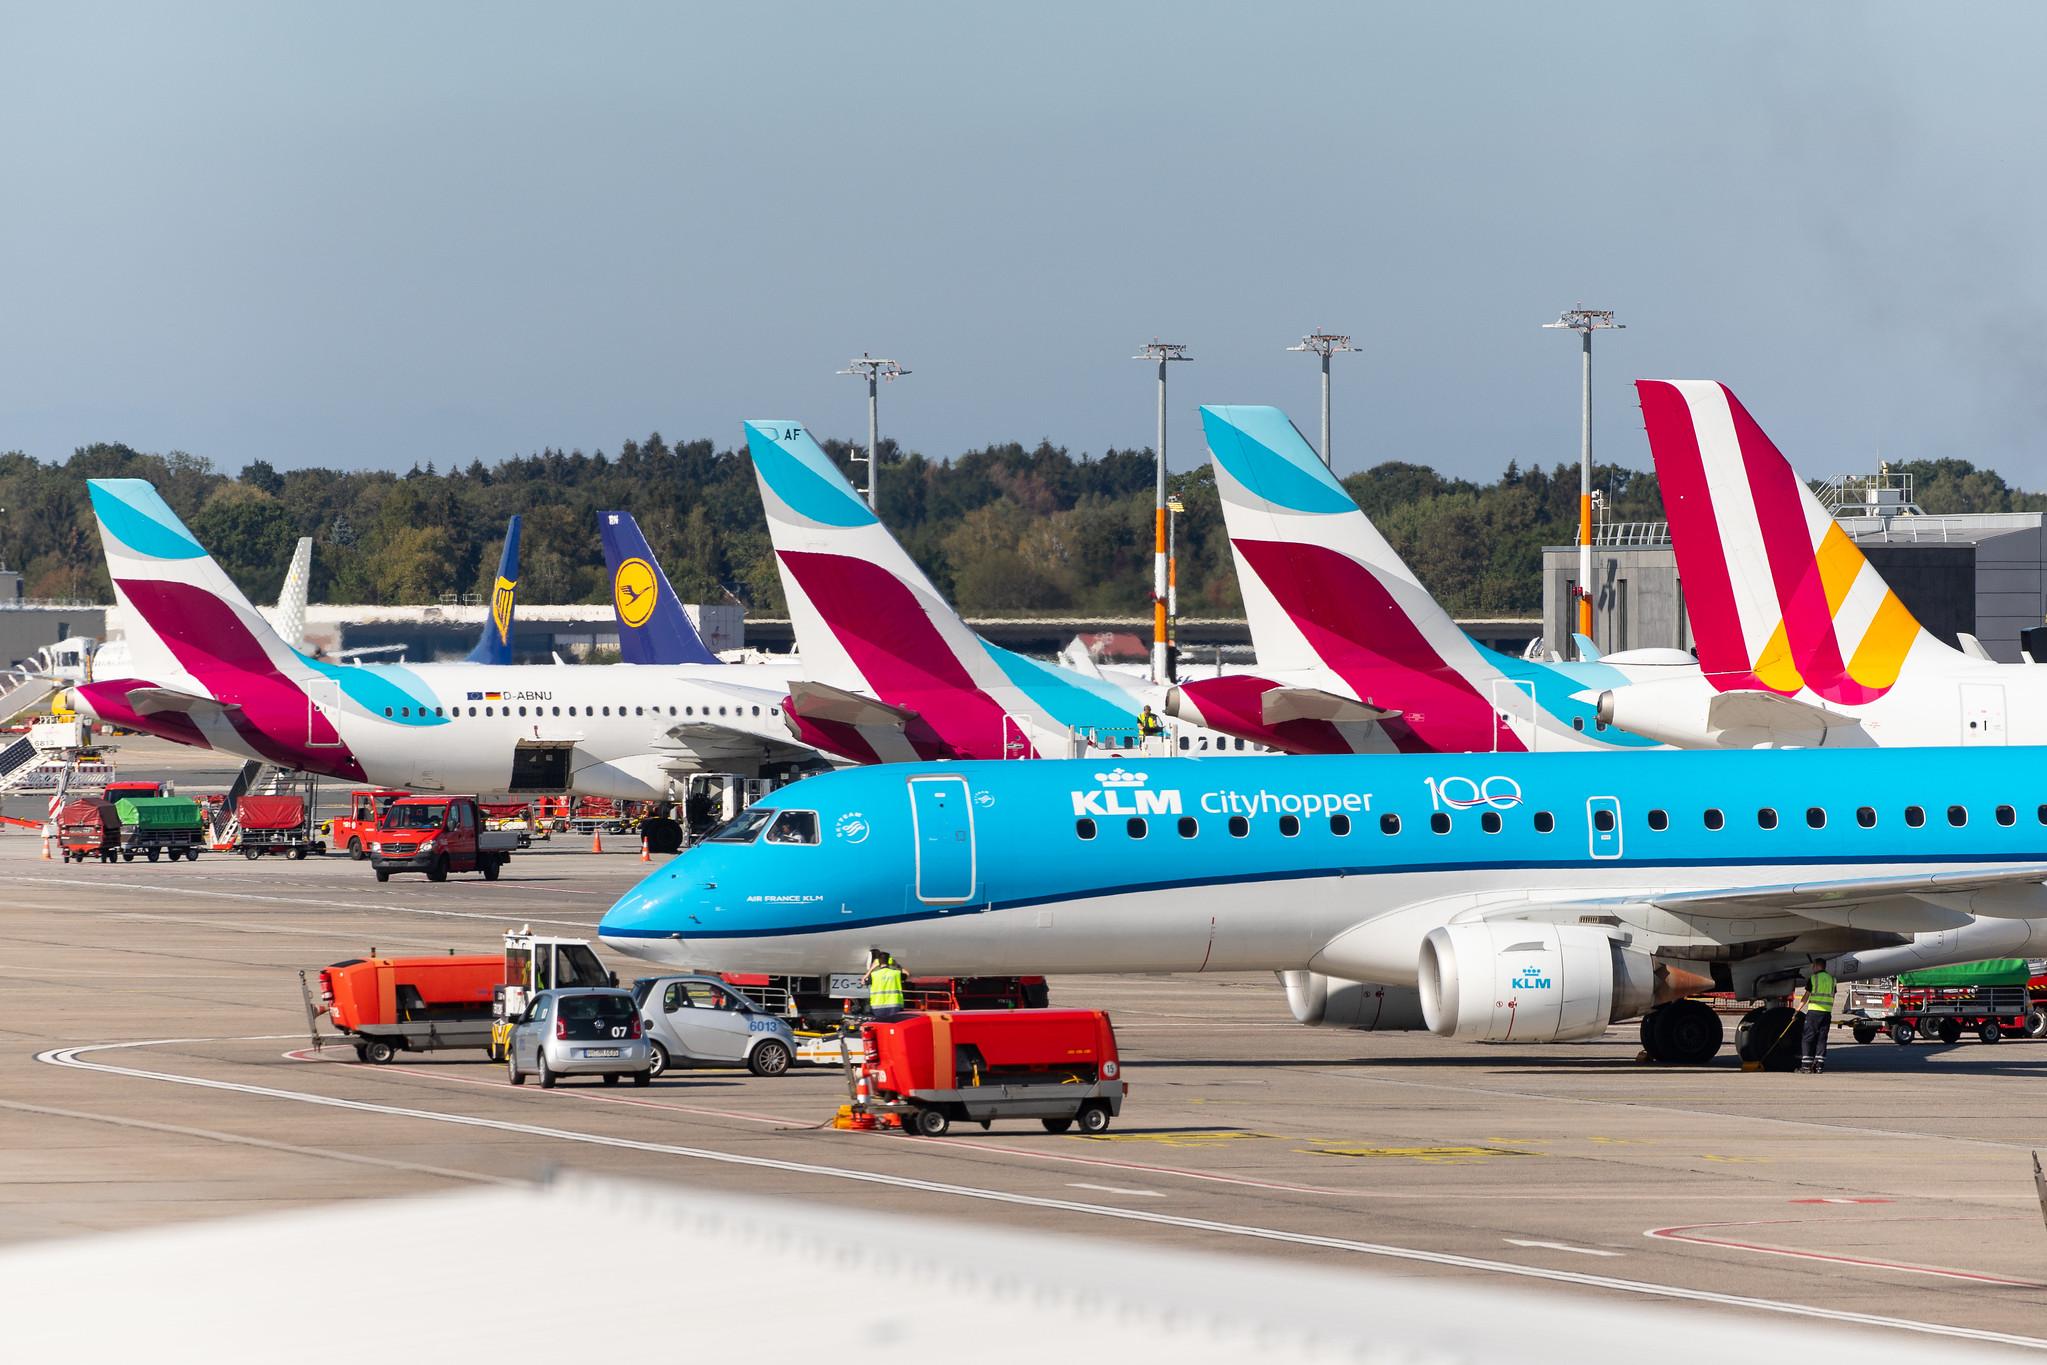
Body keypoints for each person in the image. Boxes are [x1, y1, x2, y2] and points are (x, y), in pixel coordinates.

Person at [1798, 959, 1836, 1074]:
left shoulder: (1813, 978)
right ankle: (1819, 1065)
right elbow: (1833, 995)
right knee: (1822, 1039)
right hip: (1827, 1013)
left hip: (1814, 1012)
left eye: (1813, 966)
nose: (1812, 968)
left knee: (1808, 1038)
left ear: (1816, 966)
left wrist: (1797, 1010)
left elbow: (1806, 996)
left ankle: (1806, 1065)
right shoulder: (1832, 979)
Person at [865, 950, 906, 1022]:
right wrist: (896, 965)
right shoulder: (896, 973)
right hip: (894, 1006)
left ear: (878, 962)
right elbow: (907, 974)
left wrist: (872, 968)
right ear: (889, 961)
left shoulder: (874, 975)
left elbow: (863, 981)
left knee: (881, 1026)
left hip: (878, 1007)